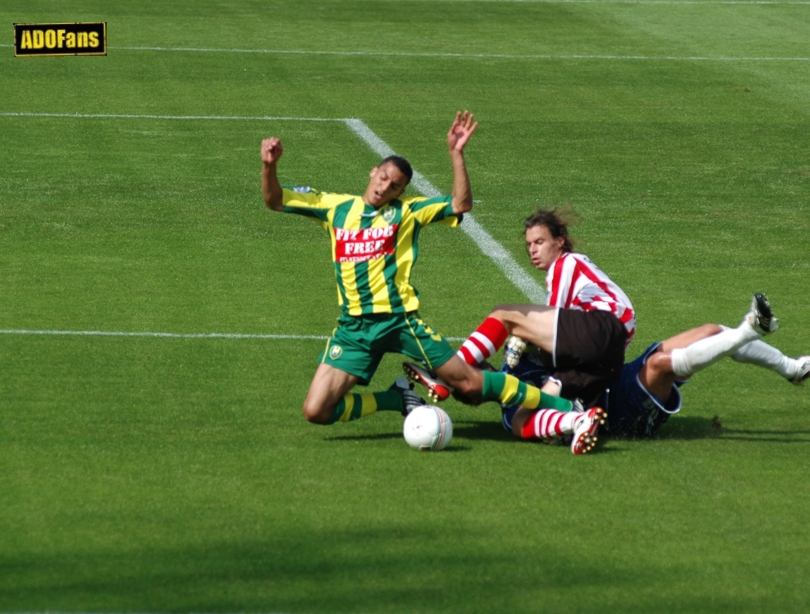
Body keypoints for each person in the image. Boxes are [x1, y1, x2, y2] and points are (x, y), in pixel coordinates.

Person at [261, 113, 575, 428]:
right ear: (373, 172)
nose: (384, 187)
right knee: (316, 411)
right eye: (383, 177)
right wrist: (269, 165)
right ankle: (396, 398)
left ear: (401, 192)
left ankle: (563, 406)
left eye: (395, 185)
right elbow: (274, 200)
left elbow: (460, 204)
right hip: (353, 330)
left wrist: (456, 155)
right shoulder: (334, 208)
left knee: (469, 385)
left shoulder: (407, 212)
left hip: (400, 322)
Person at [405, 208, 635, 453]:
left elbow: (551, 316)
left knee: (504, 314)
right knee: (520, 421)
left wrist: (522, 335)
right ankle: (578, 421)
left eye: (539, 242)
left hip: (605, 328)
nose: (532, 250)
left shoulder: (567, 263)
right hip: (602, 360)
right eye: (529, 245)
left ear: (560, 241)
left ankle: (446, 374)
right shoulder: (574, 273)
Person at [501, 293, 808, 440]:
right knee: (662, 365)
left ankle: (792, 369)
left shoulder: (528, 352)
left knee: (710, 330)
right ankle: (749, 330)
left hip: (617, 379)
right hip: (617, 412)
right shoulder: (518, 389)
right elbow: (544, 403)